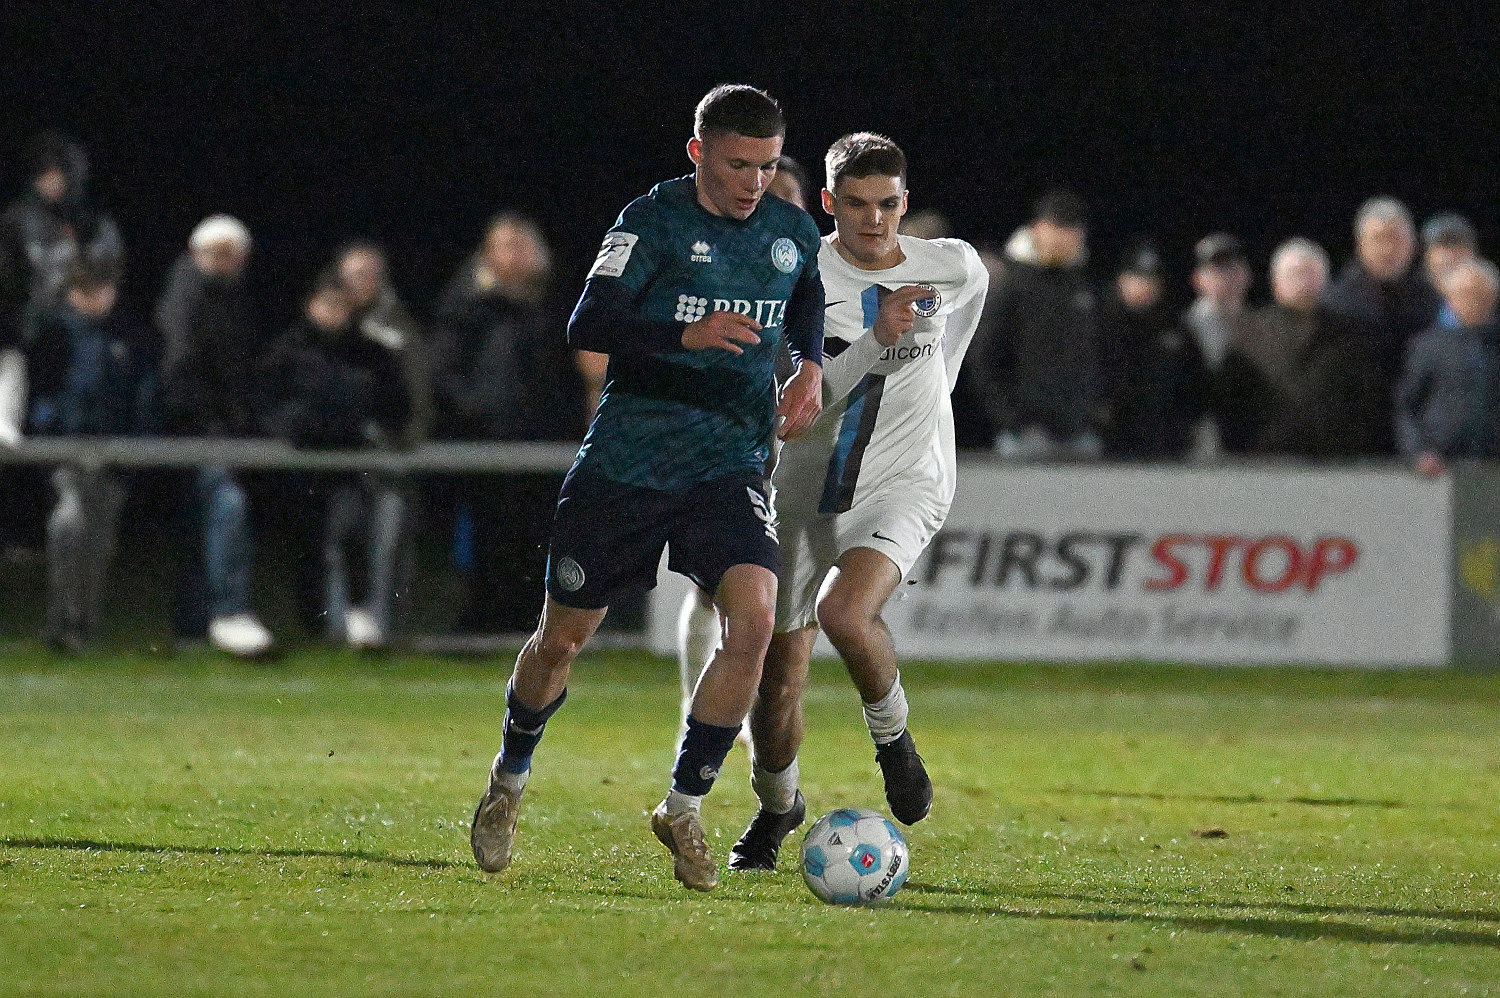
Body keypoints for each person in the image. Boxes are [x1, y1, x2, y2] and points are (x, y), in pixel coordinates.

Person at [467, 84, 825, 892]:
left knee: (756, 617)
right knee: (561, 641)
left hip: (727, 464)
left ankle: (684, 805)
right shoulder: (650, 220)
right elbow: (587, 322)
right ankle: (508, 780)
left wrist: (809, 365)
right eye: (739, 164)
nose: (754, 181)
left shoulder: (791, 229)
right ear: (698, 152)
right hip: (628, 464)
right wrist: (680, 335)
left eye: (768, 166)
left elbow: (805, 299)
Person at [725, 133, 988, 871]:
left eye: (888, 204)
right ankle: (778, 809)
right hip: (803, 491)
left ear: (904, 201)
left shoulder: (954, 265)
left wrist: (936, 397)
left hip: (908, 479)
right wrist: (876, 341)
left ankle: (894, 741)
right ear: (828, 203)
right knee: (776, 685)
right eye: (857, 205)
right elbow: (794, 409)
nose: (874, 222)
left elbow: (959, 326)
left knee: (848, 611)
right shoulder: (794, 280)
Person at [676, 152, 811, 732]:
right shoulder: (717, 265)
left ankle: (761, 737)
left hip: (809, 457)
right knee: (718, 587)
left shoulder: (819, 271)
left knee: (786, 604)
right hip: (738, 446)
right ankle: (697, 715)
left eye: (784, 198)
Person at [431, 212, 583, 634]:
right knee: (485, 543)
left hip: (542, 450)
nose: (514, 256)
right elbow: (445, 376)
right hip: (483, 449)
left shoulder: (555, 309)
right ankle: (480, 628)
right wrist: (479, 415)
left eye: (521, 246)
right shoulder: (463, 309)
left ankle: (529, 628)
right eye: (504, 246)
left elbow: (567, 379)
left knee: (537, 542)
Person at [0, 259, 157, 651]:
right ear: (72, 292)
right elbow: (37, 392)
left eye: (104, 289)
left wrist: (134, 444)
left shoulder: (129, 334)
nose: (97, 298)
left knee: (101, 541)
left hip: (114, 456)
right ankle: (62, 617)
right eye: (87, 290)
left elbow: (142, 394)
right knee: (68, 525)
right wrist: (48, 433)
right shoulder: (52, 334)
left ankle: (85, 622)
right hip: (65, 454)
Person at [257, 270, 411, 648]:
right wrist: (295, 427)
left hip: (350, 466)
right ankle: (317, 624)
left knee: (353, 531)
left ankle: (357, 616)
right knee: (310, 545)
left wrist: (367, 428)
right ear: (310, 304)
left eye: (340, 305)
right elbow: (264, 403)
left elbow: (397, 407)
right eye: (325, 303)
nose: (333, 313)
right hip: (299, 467)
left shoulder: (370, 352)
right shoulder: (286, 350)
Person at [155, 215, 274, 657]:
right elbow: (180, 368)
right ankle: (228, 611)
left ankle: (192, 625)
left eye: (235, 254)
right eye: (219, 253)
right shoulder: (187, 295)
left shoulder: (236, 299)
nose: (228, 262)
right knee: (226, 505)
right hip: (196, 433)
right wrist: (211, 423)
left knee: (200, 523)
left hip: (222, 432)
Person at [969, 188, 1101, 460]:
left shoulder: (1083, 286)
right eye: (1057, 226)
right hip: (1025, 437)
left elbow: (1101, 355)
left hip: (1079, 433)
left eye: (1071, 227)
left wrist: (1094, 411)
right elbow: (983, 359)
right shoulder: (1009, 283)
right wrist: (1012, 419)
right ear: (1038, 229)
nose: (1064, 236)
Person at [1217, 237, 1380, 457]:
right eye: (1295, 273)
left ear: (1327, 280)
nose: (1304, 282)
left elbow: (1366, 401)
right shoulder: (1248, 332)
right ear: (1275, 283)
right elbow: (1231, 403)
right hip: (1265, 462)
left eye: (1311, 273)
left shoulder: (1350, 335)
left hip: (1335, 463)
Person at [1321, 196, 1442, 453]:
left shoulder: (1434, 302)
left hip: (1421, 443)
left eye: (1396, 239)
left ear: (1412, 245)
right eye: (1379, 239)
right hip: (1351, 442)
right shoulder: (1333, 303)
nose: (1388, 249)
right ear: (1360, 244)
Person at [1098, 242, 1210, 459]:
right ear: (1122, 279)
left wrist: (1185, 424)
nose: (1146, 285)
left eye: (1152, 279)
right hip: (1115, 445)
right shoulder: (1103, 324)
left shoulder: (1175, 329)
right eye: (1138, 277)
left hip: (1168, 446)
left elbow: (1198, 385)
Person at [1395, 257, 1498, 475]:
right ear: (1449, 300)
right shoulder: (1427, 346)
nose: (1474, 300)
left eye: (1481, 293)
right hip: (1441, 468)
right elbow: (1406, 407)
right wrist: (1418, 453)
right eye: (1464, 293)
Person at [336, 242, 429, 446]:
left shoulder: (400, 331)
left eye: (364, 275)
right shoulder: (325, 325)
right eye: (349, 277)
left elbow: (418, 392)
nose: (355, 284)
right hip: (335, 447)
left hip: (387, 446)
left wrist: (407, 443)